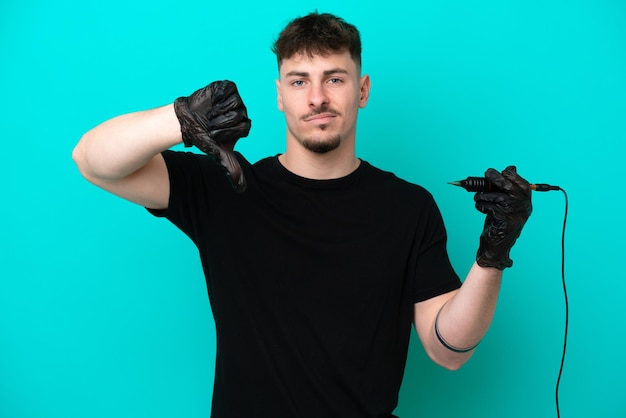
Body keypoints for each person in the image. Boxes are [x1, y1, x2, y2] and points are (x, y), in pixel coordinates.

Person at [72, 12, 532, 418]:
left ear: (362, 90)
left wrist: (493, 255)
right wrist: (180, 120)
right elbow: (92, 160)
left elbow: (447, 349)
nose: (316, 97)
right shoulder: (226, 186)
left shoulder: (408, 207)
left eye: (334, 78)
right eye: (299, 81)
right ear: (279, 95)